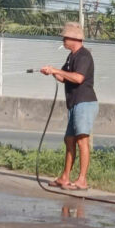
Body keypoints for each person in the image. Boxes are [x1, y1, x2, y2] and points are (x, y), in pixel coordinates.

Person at [41, 22, 99, 191]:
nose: (63, 40)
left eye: (65, 37)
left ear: (74, 38)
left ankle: (82, 180)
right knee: (69, 140)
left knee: (82, 140)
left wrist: (57, 71)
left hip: (85, 102)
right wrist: (52, 72)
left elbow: (78, 78)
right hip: (74, 103)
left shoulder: (84, 56)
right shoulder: (71, 56)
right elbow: (64, 78)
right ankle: (65, 177)